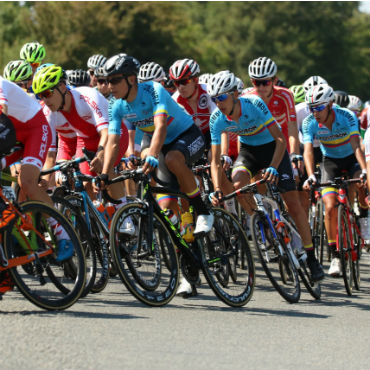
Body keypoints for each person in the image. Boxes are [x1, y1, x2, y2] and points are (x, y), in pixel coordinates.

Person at [208, 70, 324, 282]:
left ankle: (311, 256)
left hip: (273, 150)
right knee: (238, 186)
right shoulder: (216, 119)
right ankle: (262, 222)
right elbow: (215, 161)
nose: (219, 103)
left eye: (222, 97)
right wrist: (216, 188)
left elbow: (280, 139)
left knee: (293, 204)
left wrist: (272, 166)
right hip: (248, 153)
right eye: (214, 99)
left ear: (234, 94)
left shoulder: (253, 104)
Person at [101, 54, 214, 234]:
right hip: (159, 142)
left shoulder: (153, 90)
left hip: (187, 135)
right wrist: (105, 174)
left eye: (114, 80)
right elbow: (112, 142)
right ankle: (181, 239)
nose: (110, 86)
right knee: (167, 204)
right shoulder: (115, 104)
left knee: (172, 159)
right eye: (107, 81)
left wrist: (153, 155)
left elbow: (160, 125)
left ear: (131, 79)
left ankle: (203, 211)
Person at [0, 77, 74, 262]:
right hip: (11, 134)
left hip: (34, 129)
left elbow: (3, 111)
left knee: (27, 181)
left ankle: (62, 233)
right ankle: (15, 227)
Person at [32, 64, 128, 203]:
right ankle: (98, 218)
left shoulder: (87, 96)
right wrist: (45, 182)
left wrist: (100, 153)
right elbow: (50, 154)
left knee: (105, 168)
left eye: (47, 93)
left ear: (63, 87)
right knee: (85, 183)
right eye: (40, 96)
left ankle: (126, 221)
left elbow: (106, 133)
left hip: (113, 133)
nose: (45, 100)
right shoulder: (49, 113)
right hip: (87, 139)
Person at [302, 84, 368, 276]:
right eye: (311, 108)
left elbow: (356, 145)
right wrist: (311, 175)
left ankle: (363, 218)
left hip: (351, 159)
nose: (315, 112)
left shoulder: (347, 116)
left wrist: (364, 170)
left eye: (319, 107)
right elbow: (307, 150)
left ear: (330, 104)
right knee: (330, 206)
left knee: (361, 182)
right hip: (329, 162)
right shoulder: (309, 123)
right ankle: (336, 256)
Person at [246, 57, 303, 177]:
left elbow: (292, 128)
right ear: (252, 81)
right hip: (261, 141)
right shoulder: (247, 99)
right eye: (257, 83)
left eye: (265, 82)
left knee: (295, 178)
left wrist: (293, 153)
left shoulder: (285, 95)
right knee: (256, 180)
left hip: (284, 139)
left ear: (274, 80)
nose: (261, 87)